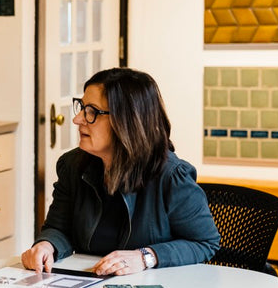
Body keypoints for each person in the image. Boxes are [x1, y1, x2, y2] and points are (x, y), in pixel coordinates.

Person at [22, 67, 220, 276]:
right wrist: (46, 245)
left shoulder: (171, 176)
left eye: (91, 112)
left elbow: (205, 242)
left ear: (126, 120)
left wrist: (145, 257)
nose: (77, 119)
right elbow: (58, 228)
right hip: (89, 287)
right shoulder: (72, 165)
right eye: (81, 107)